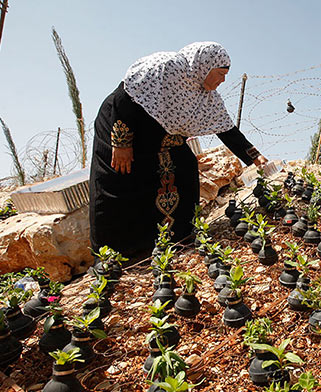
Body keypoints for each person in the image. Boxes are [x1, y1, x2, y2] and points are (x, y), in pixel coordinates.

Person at [89, 41, 267, 260]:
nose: (223, 80)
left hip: (159, 140)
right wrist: (121, 142)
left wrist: (254, 155)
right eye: (220, 74)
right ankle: (115, 254)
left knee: (184, 167)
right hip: (121, 127)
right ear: (204, 66)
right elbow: (124, 96)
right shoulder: (164, 68)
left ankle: (176, 236)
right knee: (120, 181)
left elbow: (227, 129)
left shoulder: (206, 96)